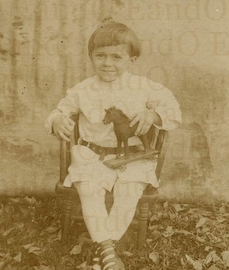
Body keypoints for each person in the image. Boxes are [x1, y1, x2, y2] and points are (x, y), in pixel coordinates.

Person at [45, 22, 181, 270]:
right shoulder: (82, 90)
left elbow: (172, 109)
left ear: (132, 59)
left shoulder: (143, 86)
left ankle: (101, 250)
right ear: (91, 57)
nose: (107, 63)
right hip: (92, 156)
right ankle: (108, 253)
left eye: (116, 57)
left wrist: (153, 116)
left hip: (132, 157)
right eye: (100, 56)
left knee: (128, 194)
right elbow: (59, 109)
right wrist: (57, 120)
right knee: (89, 191)